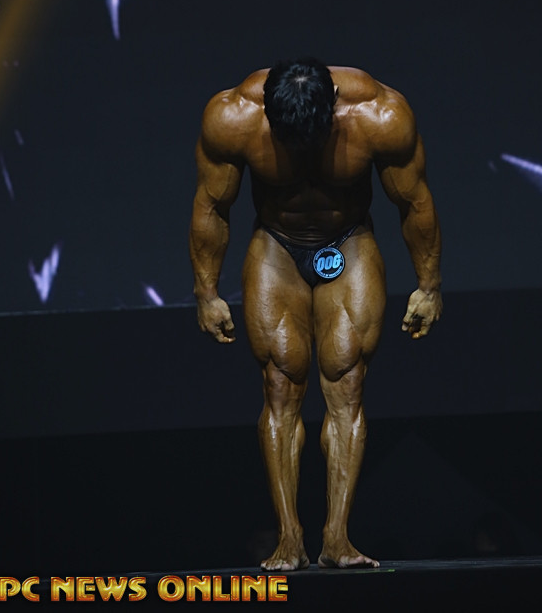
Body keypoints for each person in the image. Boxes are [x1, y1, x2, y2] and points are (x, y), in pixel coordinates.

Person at [189, 59, 442, 571]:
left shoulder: (380, 115)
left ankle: (337, 537)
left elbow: (415, 203)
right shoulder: (232, 117)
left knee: (346, 379)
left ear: (332, 110)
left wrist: (429, 285)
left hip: (348, 239)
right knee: (281, 382)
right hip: (276, 244)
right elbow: (212, 206)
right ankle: (289, 537)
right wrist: (206, 292)